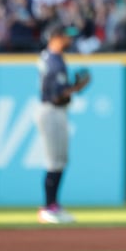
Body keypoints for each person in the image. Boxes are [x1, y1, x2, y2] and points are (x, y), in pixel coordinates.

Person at [35, 25, 91, 224]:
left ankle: (53, 205)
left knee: (60, 159)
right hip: (51, 110)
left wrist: (72, 88)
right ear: (56, 37)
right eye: (67, 36)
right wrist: (76, 87)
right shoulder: (53, 60)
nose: (70, 40)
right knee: (54, 160)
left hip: (55, 110)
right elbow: (57, 95)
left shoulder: (51, 57)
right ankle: (48, 207)